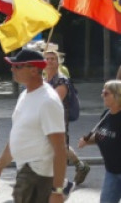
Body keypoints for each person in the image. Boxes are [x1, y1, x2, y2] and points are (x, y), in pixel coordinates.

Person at [0, 49, 67, 203]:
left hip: (38, 175)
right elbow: (17, 137)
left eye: (17, 66)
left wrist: (57, 190)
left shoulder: (48, 101)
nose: (12, 69)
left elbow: (60, 148)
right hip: (26, 171)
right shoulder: (24, 95)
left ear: (34, 70)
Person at [43, 46, 90, 187]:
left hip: (57, 122)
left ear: (58, 62)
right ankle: (79, 167)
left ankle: (59, 185)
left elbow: (53, 102)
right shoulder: (43, 80)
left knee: (57, 150)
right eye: (47, 59)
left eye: (53, 59)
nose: (49, 61)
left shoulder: (61, 81)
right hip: (45, 121)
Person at [78, 80, 121, 203]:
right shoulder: (106, 115)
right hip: (112, 171)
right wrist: (87, 141)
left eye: (106, 93)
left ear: (117, 96)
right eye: (102, 92)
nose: (102, 96)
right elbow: (100, 136)